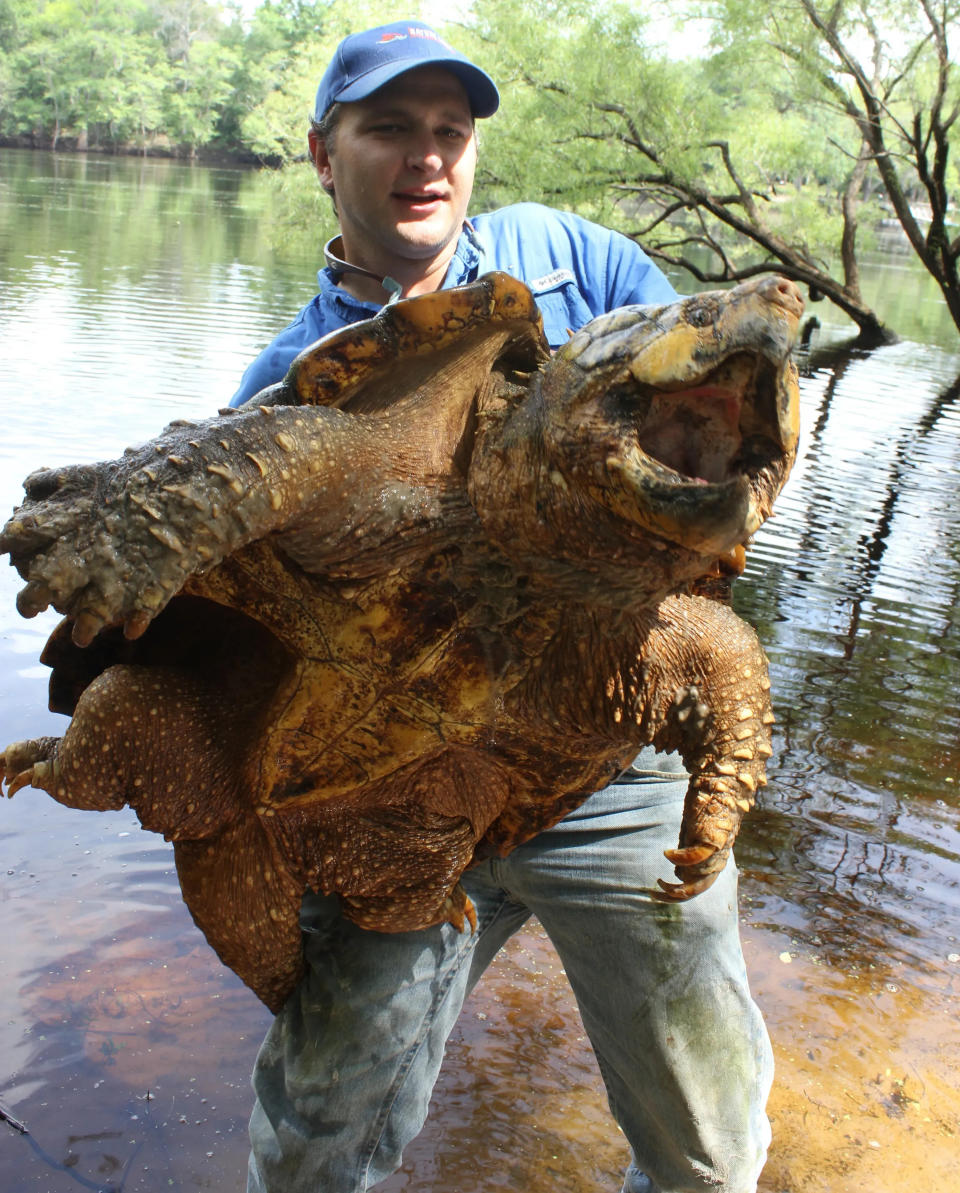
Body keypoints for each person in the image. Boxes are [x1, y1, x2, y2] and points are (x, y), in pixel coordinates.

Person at [233, 21, 774, 1193]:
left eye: (451, 131)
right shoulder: (285, 383)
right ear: (325, 152)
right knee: (324, 1127)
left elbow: (720, 409)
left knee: (708, 1133)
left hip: (612, 751)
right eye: (390, 129)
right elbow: (247, 635)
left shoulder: (571, 258)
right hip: (404, 784)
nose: (427, 156)